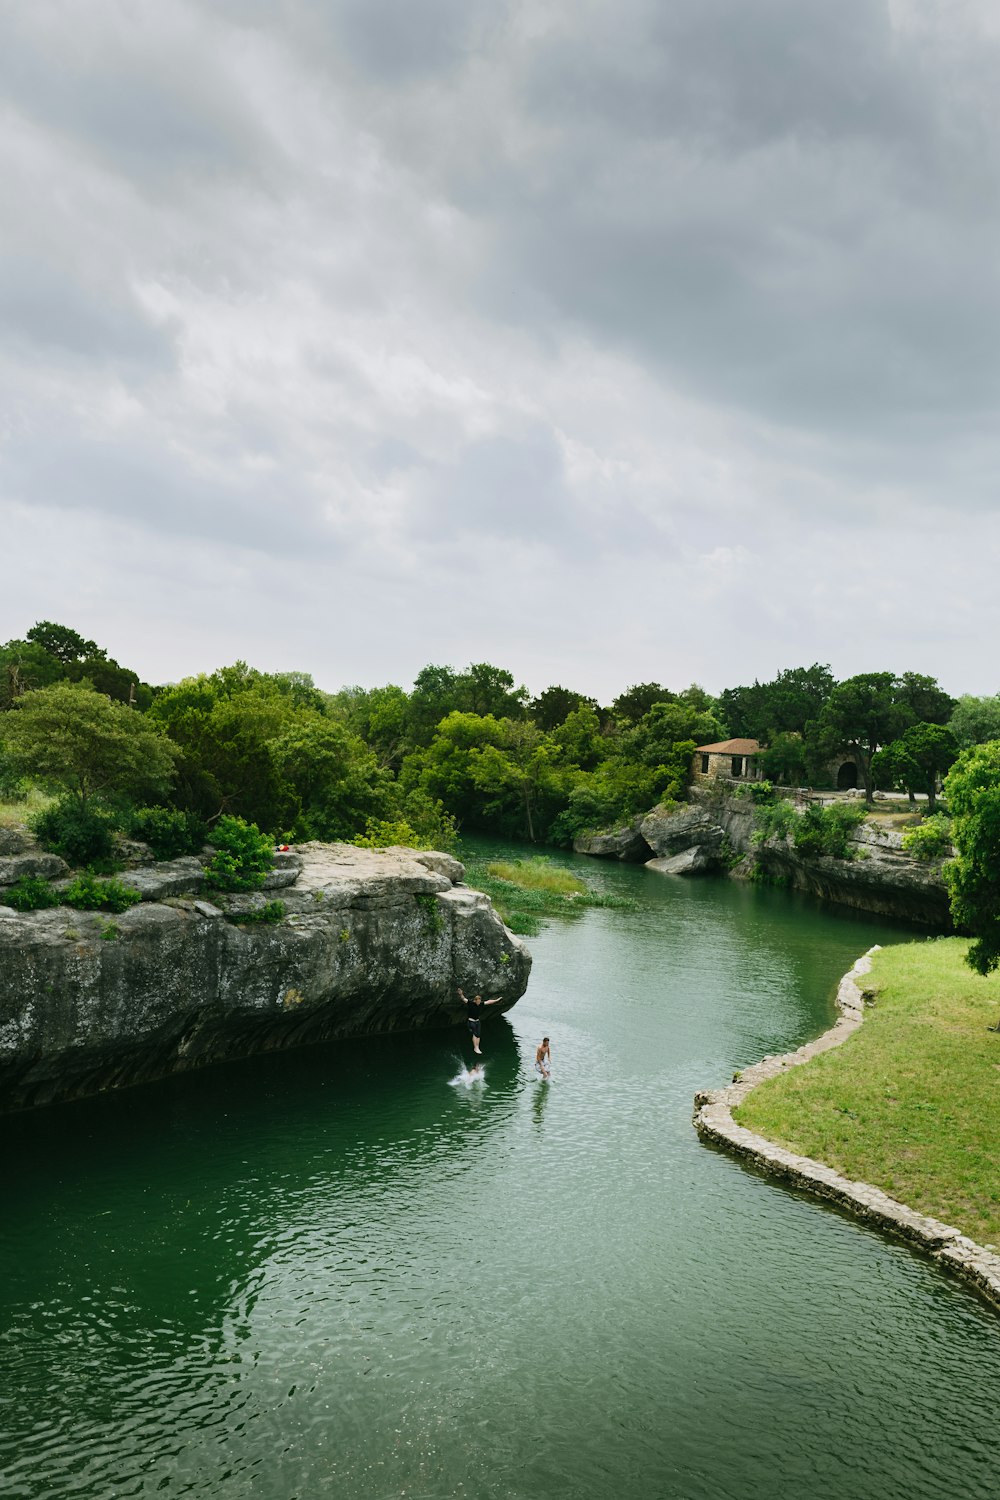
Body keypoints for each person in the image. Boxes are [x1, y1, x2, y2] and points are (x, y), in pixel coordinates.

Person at [457, 986, 502, 1055]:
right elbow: (463, 999)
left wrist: (496, 1000)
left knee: (478, 1035)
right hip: (471, 1021)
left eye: (480, 1001)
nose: (479, 1003)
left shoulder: (480, 1004)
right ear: (475, 1000)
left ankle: (477, 1047)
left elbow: (489, 1002)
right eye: (478, 1001)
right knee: (475, 1034)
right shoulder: (471, 1003)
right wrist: (461, 994)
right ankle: (475, 1047)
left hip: (477, 1022)